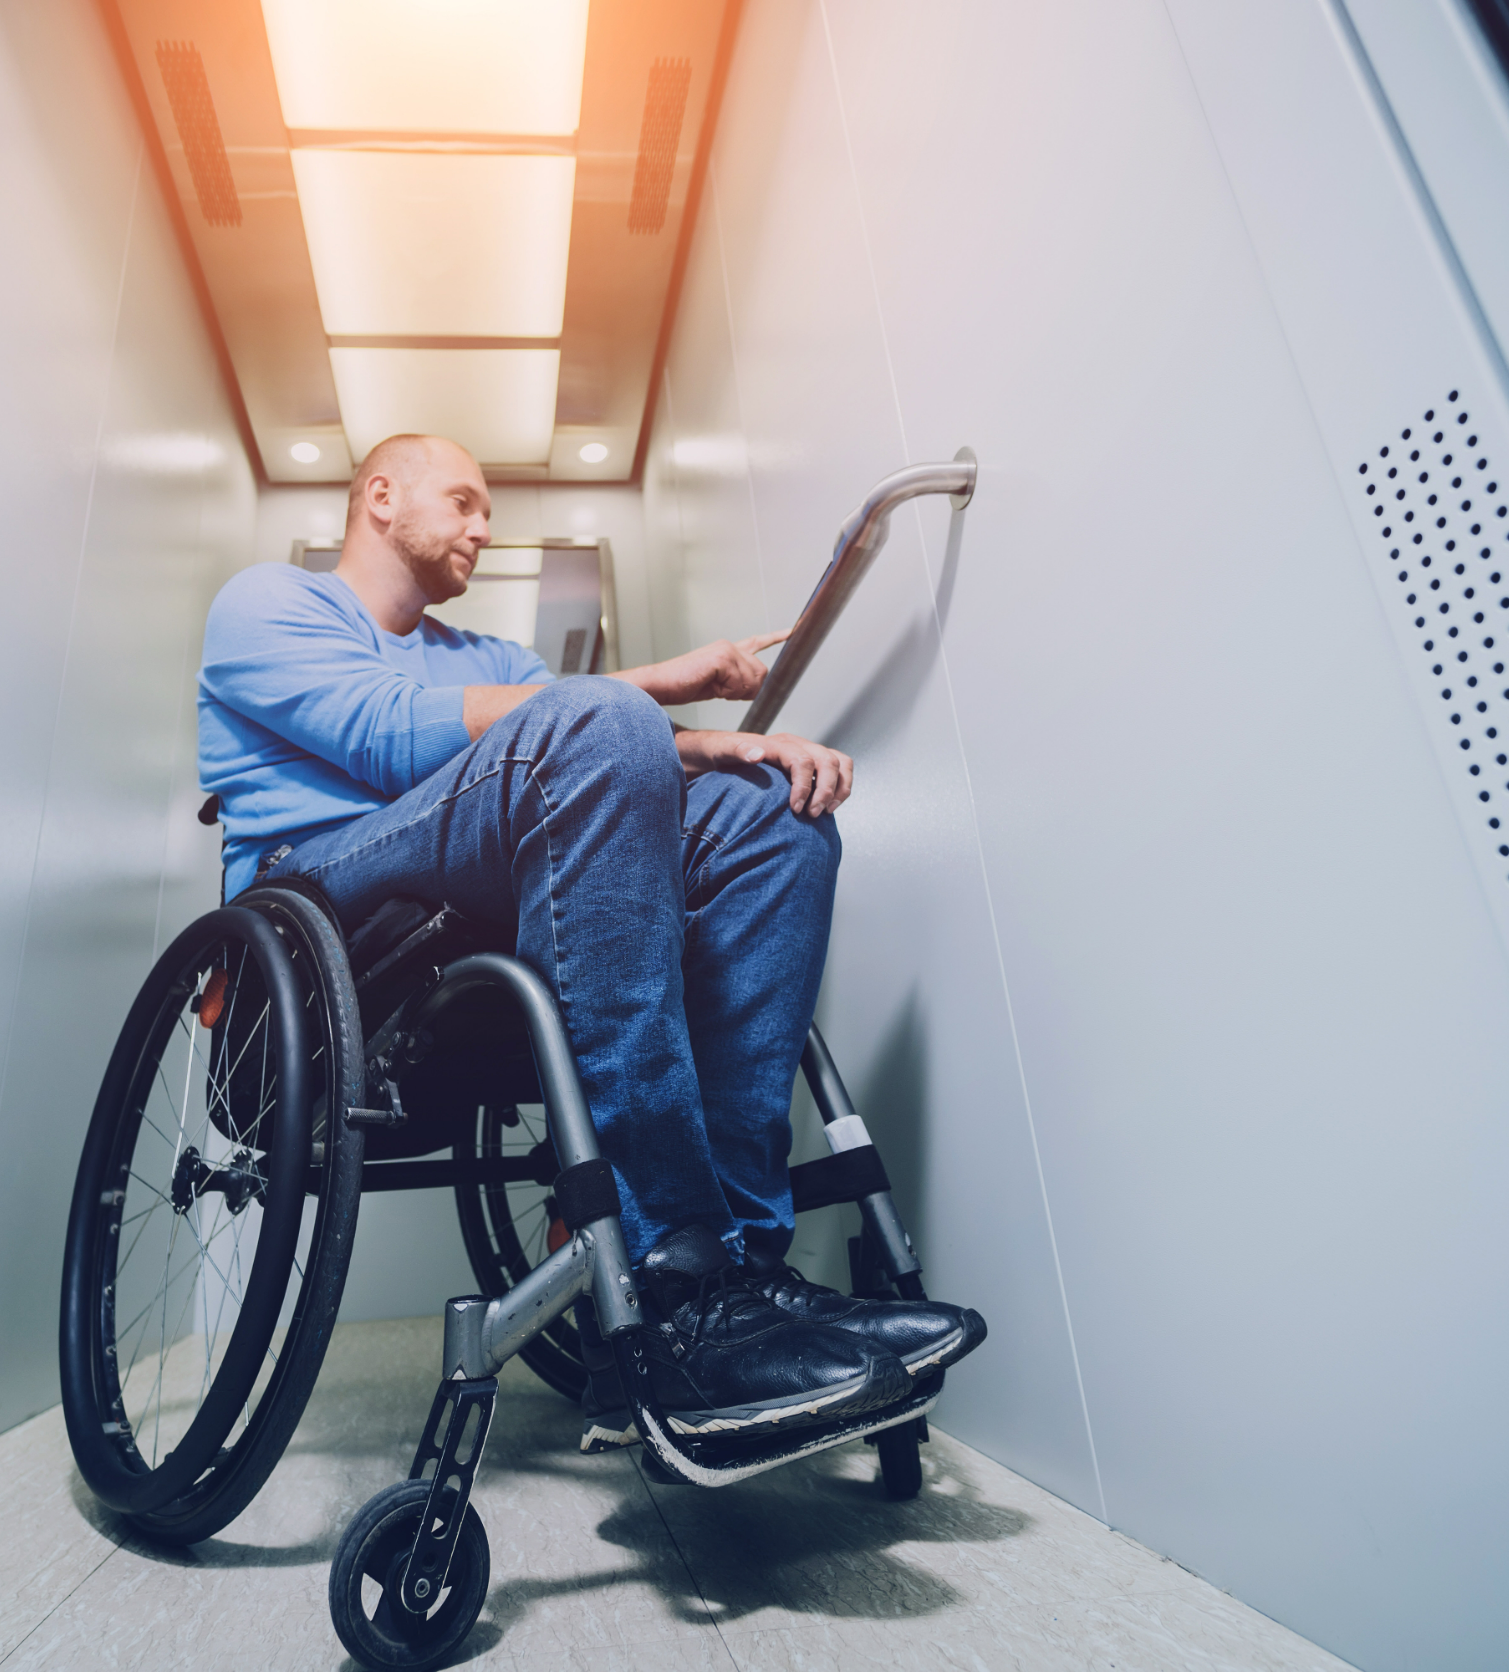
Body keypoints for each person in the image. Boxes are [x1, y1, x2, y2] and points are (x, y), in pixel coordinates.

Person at [197, 434, 984, 1447]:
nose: (485, 527)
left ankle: (733, 1272)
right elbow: (384, 730)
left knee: (768, 818)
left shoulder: (493, 661)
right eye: (467, 501)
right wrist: (655, 686)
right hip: (323, 905)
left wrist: (729, 746)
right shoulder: (268, 603)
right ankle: (673, 1270)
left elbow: (594, 741)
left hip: (483, 906)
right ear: (380, 496)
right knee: (601, 720)